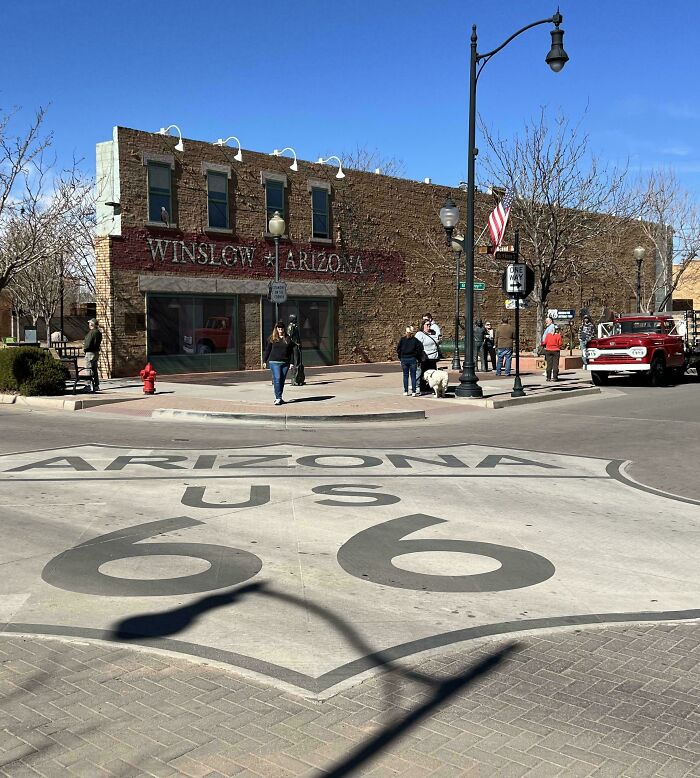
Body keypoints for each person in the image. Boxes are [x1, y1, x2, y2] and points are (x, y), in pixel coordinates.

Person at [263, 321, 294, 405]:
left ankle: (279, 397)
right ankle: (277, 398)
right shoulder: (272, 338)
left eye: (282, 328)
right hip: (274, 362)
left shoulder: (288, 338)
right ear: (276, 329)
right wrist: (264, 361)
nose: (280, 330)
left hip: (285, 362)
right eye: (279, 328)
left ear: (284, 329)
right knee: (277, 379)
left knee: (282, 380)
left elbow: (291, 351)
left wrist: (291, 363)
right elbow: (268, 350)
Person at [415, 319, 440, 393]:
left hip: (434, 357)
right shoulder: (420, 334)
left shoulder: (433, 333)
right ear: (423, 326)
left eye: (429, 325)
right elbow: (417, 346)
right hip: (425, 358)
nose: (429, 326)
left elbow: (437, 341)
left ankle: (431, 386)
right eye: (427, 325)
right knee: (424, 373)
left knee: (433, 373)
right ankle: (423, 387)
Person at [396, 325, 422, 396]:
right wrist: (417, 357)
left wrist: (400, 357)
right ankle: (414, 391)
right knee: (413, 376)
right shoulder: (415, 340)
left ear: (406, 332)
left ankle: (406, 391)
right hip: (412, 359)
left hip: (404, 359)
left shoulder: (402, 339)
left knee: (405, 375)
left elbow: (398, 349)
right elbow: (419, 350)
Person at [83, 318, 102, 393]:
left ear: (92, 324)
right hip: (96, 353)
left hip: (90, 353)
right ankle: (96, 385)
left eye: (89, 323)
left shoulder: (91, 333)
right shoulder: (99, 332)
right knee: (94, 370)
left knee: (88, 369)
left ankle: (88, 386)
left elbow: (87, 344)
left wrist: (84, 348)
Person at [287, 314, 305, 386]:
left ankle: (299, 378)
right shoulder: (291, 327)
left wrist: (299, 343)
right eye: (295, 319)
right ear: (292, 319)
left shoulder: (295, 326)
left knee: (299, 362)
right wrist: (295, 344)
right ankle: (294, 379)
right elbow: (290, 337)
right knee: (295, 361)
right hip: (294, 346)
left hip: (297, 346)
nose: (296, 320)